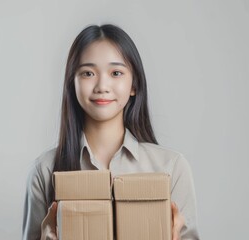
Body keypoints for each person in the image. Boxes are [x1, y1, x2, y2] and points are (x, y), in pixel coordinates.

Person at [22, 24, 200, 240]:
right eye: (88, 73)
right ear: (72, 84)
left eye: (116, 73)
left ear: (134, 84)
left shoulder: (171, 168)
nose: (102, 85)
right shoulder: (44, 171)